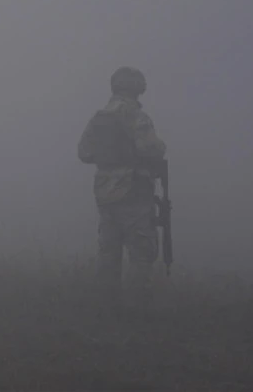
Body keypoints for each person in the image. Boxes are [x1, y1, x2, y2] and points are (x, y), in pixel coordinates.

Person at [77, 66, 167, 318]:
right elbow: (153, 150)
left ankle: (105, 309)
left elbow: (83, 153)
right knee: (141, 252)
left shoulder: (99, 117)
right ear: (138, 87)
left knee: (109, 251)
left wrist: (109, 161)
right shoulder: (136, 116)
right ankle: (136, 313)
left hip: (105, 193)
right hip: (134, 192)